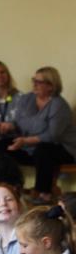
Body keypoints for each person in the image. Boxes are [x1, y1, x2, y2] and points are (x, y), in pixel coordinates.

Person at [8, 66, 76, 204]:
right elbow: (18, 122)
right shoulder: (27, 99)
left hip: (63, 148)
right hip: (31, 148)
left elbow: (53, 135)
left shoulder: (58, 105)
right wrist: (10, 126)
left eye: (39, 82)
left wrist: (25, 141)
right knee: (4, 146)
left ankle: (43, 194)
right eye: (34, 80)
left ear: (51, 86)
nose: (34, 84)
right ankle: (10, 188)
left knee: (44, 150)